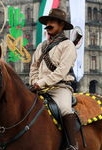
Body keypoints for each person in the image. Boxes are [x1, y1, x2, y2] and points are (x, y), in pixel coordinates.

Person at [29, 8, 77, 149]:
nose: (48, 24)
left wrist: (41, 82)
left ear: (61, 25)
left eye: (52, 22)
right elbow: (34, 67)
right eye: (47, 22)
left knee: (65, 109)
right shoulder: (41, 46)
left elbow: (61, 72)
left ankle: (73, 145)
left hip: (59, 88)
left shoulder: (68, 45)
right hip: (39, 87)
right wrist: (34, 82)